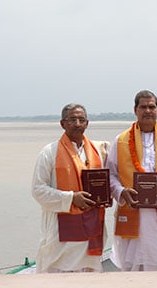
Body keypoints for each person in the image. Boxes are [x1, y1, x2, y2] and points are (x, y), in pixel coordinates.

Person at [107, 90, 157, 271]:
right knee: (129, 267)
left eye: (152, 107)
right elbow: (111, 175)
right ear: (135, 110)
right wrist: (121, 192)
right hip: (131, 207)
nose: (148, 111)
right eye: (143, 107)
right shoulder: (120, 140)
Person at [31, 103, 107, 273]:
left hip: (90, 232)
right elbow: (38, 190)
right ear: (62, 123)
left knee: (88, 285)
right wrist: (71, 198)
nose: (78, 124)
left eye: (82, 120)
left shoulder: (98, 151)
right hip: (61, 236)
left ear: (87, 123)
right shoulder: (49, 152)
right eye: (72, 120)